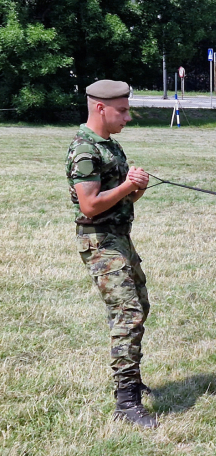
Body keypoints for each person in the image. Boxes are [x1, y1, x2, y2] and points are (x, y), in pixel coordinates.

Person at [67, 80, 157, 428]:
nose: (128, 117)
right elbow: (89, 206)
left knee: (139, 306)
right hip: (100, 241)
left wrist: (137, 190)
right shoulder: (85, 150)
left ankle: (131, 379)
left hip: (120, 238)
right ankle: (126, 401)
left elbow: (122, 198)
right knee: (128, 314)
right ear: (100, 108)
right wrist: (127, 185)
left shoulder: (111, 148)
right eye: (122, 110)